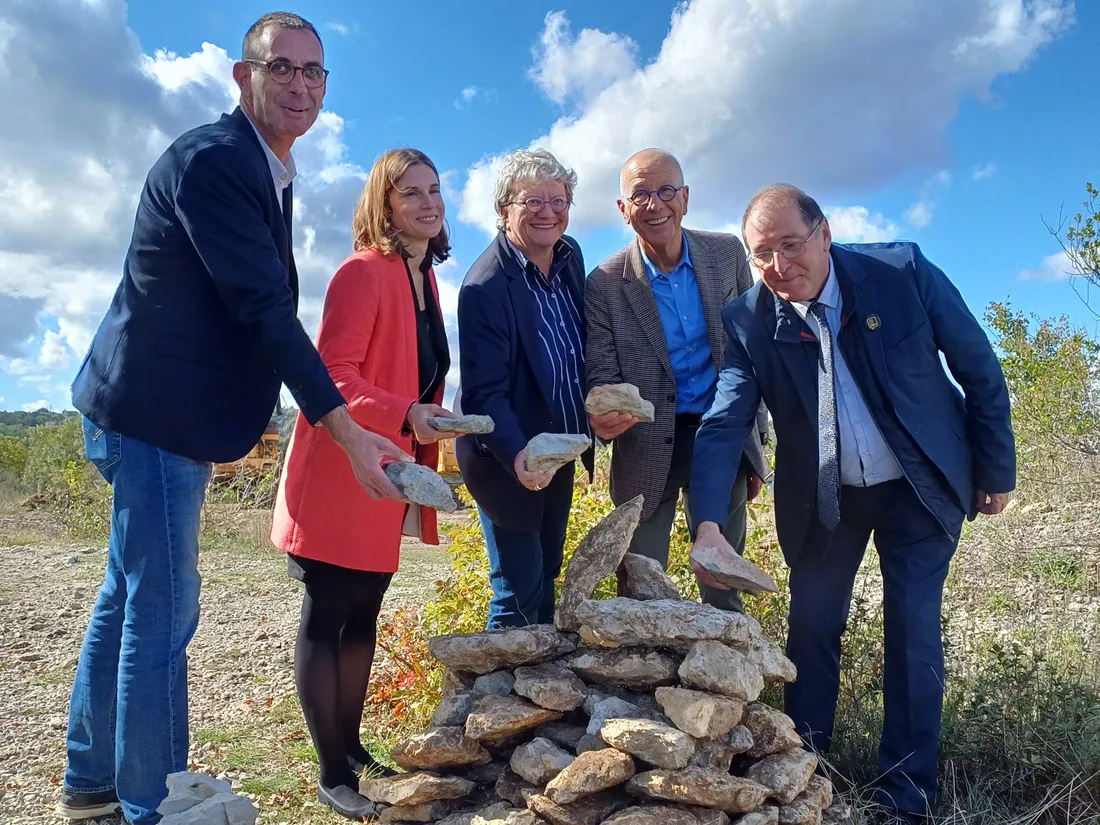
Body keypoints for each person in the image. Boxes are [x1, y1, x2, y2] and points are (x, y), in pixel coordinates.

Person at [62, 13, 410, 824]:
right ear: (240, 76)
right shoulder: (215, 161)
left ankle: (92, 785)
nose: (297, 85)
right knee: (164, 606)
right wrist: (342, 427)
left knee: (127, 596)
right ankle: (150, 802)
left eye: (312, 73)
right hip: (154, 415)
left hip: (154, 413)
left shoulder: (266, 172)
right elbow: (261, 305)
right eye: (278, 67)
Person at [689, 184, 1016, 823]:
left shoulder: (902, 273)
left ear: (825, 233)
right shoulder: (750, 318)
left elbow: (978, 366)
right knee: (810, 628)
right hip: (825, 499)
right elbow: (726, 422)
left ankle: (906, 795)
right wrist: (707, 523)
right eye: (762, 255)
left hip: (919, 485)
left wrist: (994, 468)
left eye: (791, 245)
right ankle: (804, 774)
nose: (780, 267)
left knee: (913, 629)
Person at [270, 147, 453, 819]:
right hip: (342, 470)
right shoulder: (361, 271)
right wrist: (405, 412)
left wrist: (424, 417)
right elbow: (334, 376)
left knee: (363, 616)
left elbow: (415, 373)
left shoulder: (424, 279)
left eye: (435, 190)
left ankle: (351, 749)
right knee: (329, 616)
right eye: (411, 193)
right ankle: (330, 769)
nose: (429, 202)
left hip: (385, 474)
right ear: (384, 204)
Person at [584, 149, 770, 611]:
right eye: (640, 194)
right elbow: (603, 372)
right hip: (643, 445)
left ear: (685, 198)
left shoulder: (727, 254)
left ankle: (722, 680)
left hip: (721, 440)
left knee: (722, 588)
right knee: (639, 592)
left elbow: (753, 352)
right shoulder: (604, 282)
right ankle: (642, 683)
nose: (655, 204)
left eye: (666, 191)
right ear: (623, 210)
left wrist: (758, 440)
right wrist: (602, 414)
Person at [454, 148, 592, 629]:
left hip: (556, 451)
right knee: (517, 588)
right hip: (503, 455)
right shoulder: (485, 286)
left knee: (547, 575)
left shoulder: (570, 258)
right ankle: (493, 700)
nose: (548, 212)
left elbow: (577, 351)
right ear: (504, 210)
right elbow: (484, 393)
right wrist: (517, 458)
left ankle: (543, 697)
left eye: (559, 200)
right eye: (532, 201)